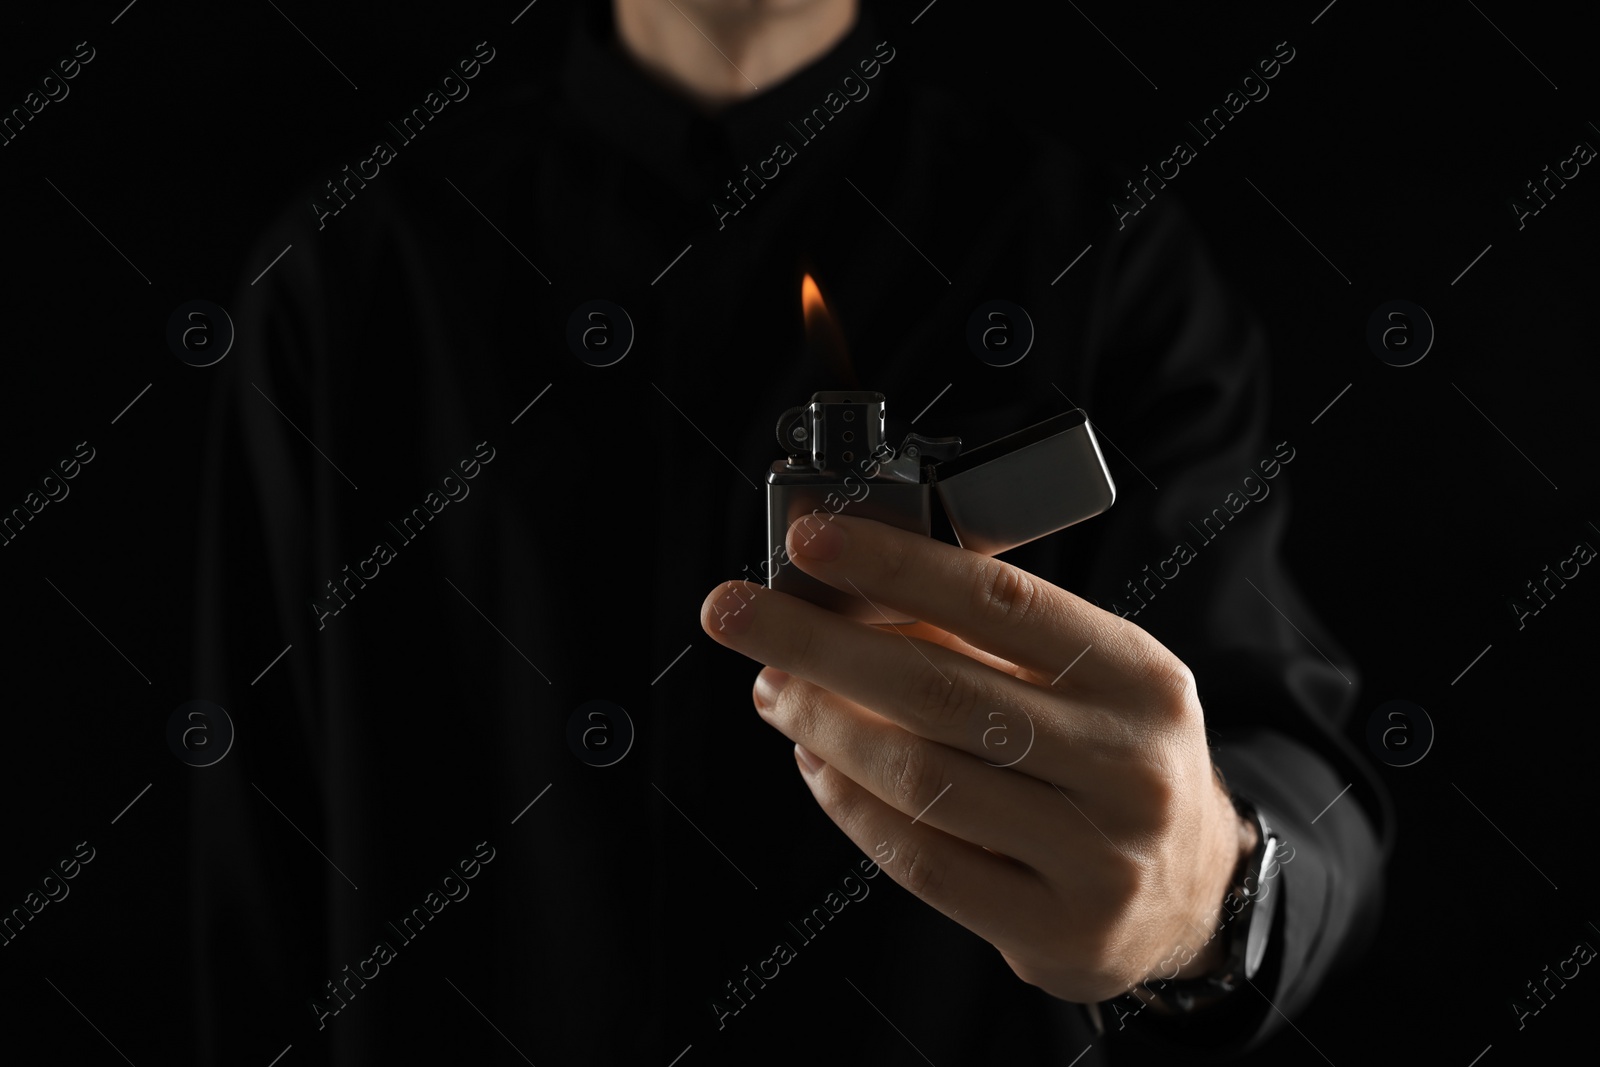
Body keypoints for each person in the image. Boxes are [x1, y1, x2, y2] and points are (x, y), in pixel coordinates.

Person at [191, 1, 1391, 1062]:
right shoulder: (347, 273)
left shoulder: (1102, 256)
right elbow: (251, 864)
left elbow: (1293, 759)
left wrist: (1203, 893)